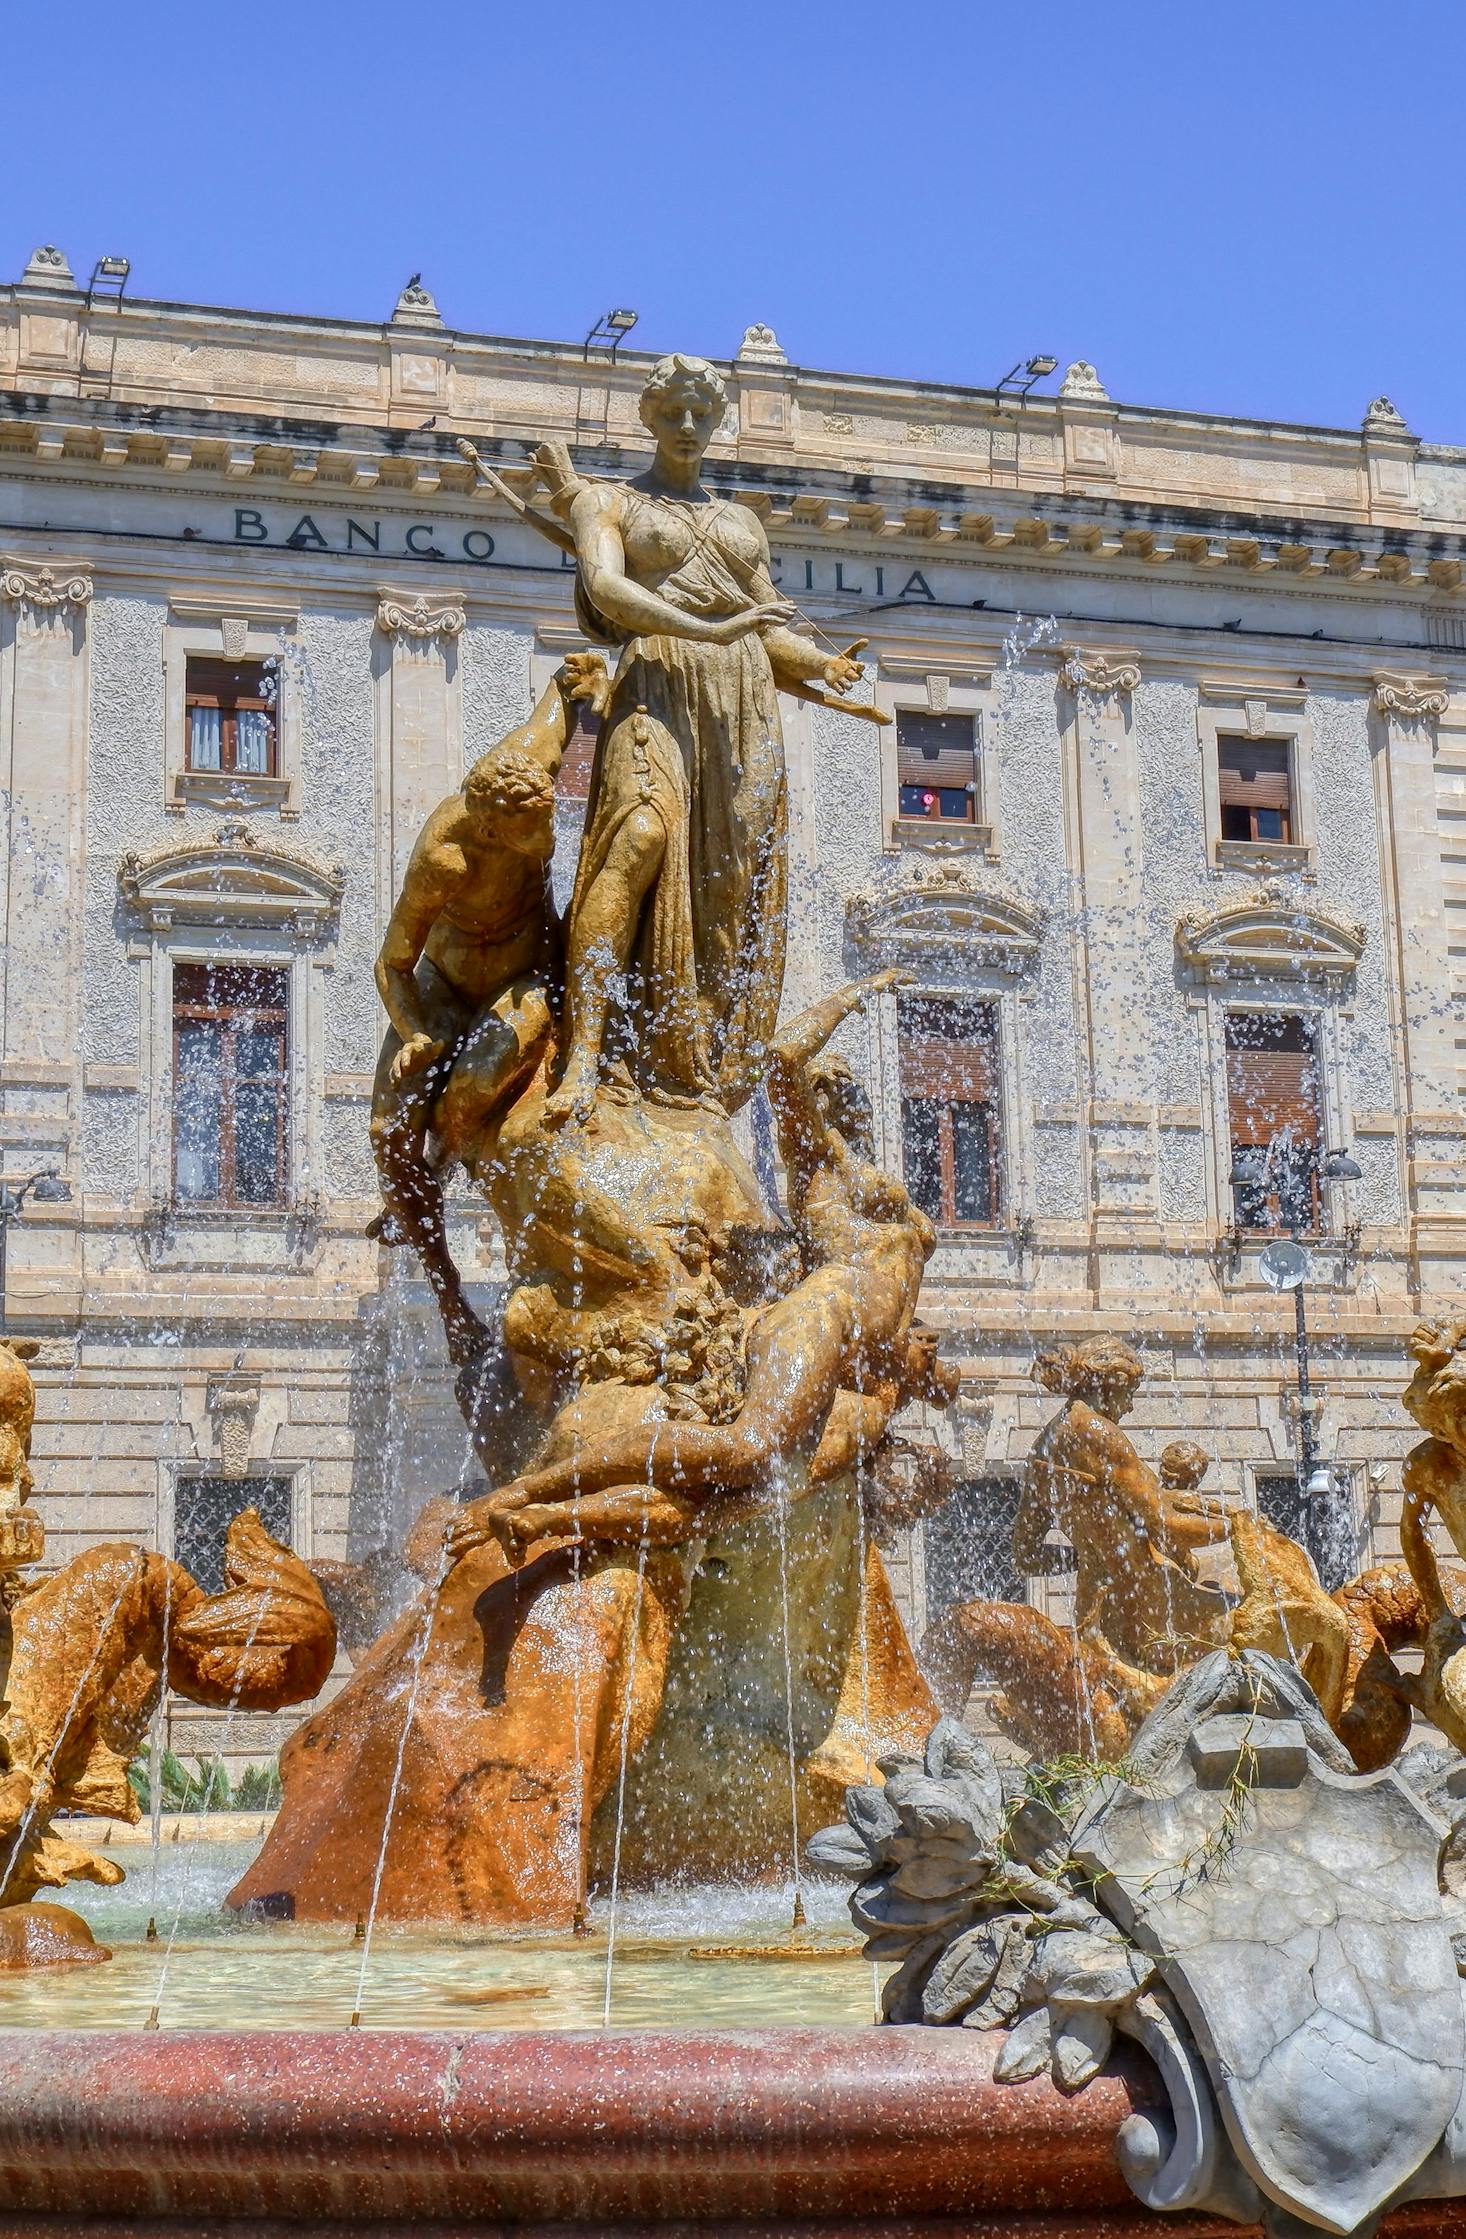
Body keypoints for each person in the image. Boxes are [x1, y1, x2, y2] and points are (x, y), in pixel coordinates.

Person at [445, 967, 943, 1564]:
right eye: (828, 1091)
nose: (846, 1098)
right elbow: (783, 1057)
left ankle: (546, 1512)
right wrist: (853, 994)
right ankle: (530, 1490)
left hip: (835, 1347)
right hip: (817, 1321)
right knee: (748, 1451)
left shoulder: (866, 1404)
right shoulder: (823, 1173)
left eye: (846, 1091)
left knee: (722, 1496)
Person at [528, 354, 864, 1125]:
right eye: (673, 411)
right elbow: (609, 590)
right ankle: (585, 1056)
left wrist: (822, 664)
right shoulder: (607, 501)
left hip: (738, 710)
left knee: (726, 894)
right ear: (648, 416)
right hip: (654, 688)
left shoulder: (740, 524)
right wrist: (707, 627)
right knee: (636, 839)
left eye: (700, 414)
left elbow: (769, 628)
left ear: (717, 423)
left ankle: (692, 1063)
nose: (686, 426)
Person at [369, 655, 606, 1362]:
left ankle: (443, 1152)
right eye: (528, 838)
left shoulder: (527, 764)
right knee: (386, 1131)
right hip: (442, 986)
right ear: (490, 826)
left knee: (479, 1079)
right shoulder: (443, 861)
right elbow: (390, 964)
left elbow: (564, 690)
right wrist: (412, 1033)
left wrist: (598, 681)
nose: (543, 847)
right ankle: (448, 1296)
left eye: (546, 828)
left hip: (527, 974)